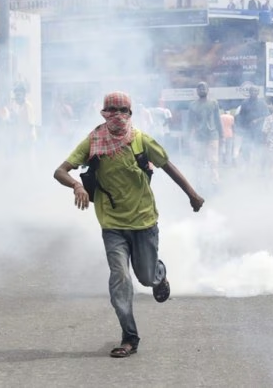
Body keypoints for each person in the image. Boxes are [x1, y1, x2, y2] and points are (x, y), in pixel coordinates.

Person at [53, 91, 204, 358]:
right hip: (112, 224)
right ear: (104, 114)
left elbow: (168, 166)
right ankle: (129, 337)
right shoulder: (93, 141)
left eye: (123, 112)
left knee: (145, 276)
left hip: (144, 221)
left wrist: (192, 194)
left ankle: (159, 274)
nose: (118, 117)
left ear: (130, 115)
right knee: (120, 278)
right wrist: (77, 185)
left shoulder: (141, 141)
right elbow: (60, 171)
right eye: (112, 111)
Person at [187, 82, 224, 186]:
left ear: (208, 90)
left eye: (204, 88)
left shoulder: (213, 103)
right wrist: (187, 137)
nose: (202, 90)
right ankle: (198, 180)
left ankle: (214, 181)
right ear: (196, 91)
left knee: (213, 160)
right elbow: (189, 122)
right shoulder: (193, 105)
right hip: (198, 137)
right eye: (199, 88)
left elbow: (218, 120)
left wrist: (222, 136)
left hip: (212, 136)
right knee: (198, 160)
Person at [236, 87, 270, 167]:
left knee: (258, 148)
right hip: (247, 130)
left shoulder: (262, 103)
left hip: (258, 131)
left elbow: (267, 115)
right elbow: (241, 116)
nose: (253, 92)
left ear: (258, 92)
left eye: (255, 91)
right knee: (245, 148)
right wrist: (240, 128)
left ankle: (259, 166)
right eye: (252, 91)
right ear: (249, 92)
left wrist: (257, 120)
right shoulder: (244, 102)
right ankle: (247, 164)